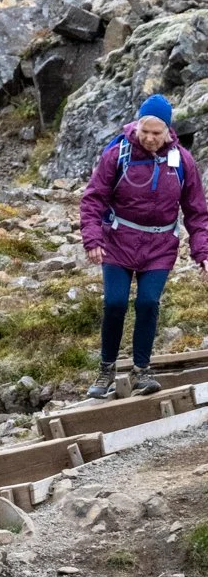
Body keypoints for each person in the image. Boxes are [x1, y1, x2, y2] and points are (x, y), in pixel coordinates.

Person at [80, 93, 208, 399]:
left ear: (167, 131)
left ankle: (142, 370)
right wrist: (93, 238)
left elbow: (197, 212)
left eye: (156, 133)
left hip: (160, 245)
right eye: (145, 131)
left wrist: (203, 254)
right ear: (137, 126)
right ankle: (106, 369)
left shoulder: (182, 161)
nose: (150, 138)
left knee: (148, 303)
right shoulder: (118, 154)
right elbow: (93, 198)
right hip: (118, 241)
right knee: (115, 303)